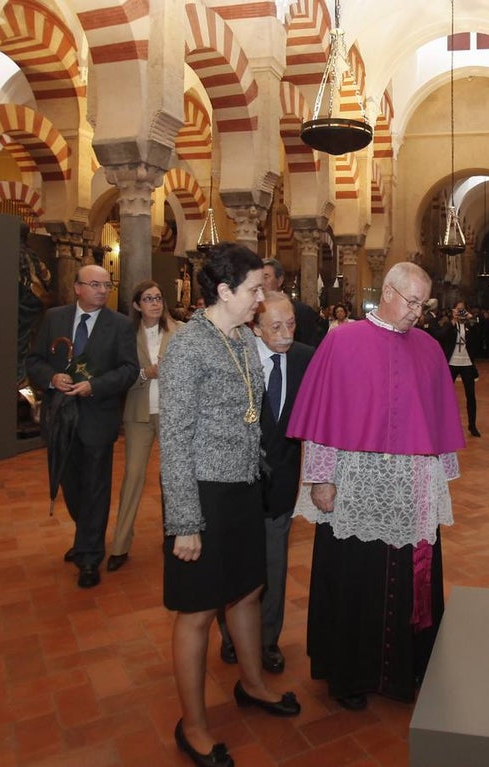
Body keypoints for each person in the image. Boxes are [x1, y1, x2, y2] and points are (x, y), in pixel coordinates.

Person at [287, 261, 465, 711]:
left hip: (412, 486)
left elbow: (439, 417)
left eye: (423, 305)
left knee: (409, 575)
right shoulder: (341, 341)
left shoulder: (426, 347)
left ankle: (406, 668)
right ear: (388, 292)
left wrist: (440, 478)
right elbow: (324, 416)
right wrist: (320, 479)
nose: (417, 313)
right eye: (412, 302)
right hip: (356, 483)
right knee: (355, 576)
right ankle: (351, 673)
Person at [159, 243, 300, 767]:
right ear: (223, 291)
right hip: (201, 495)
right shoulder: (187, 347)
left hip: (243, 489)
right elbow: (172, 439)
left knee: (247, 591)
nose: (260, 298)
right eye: (252, 290)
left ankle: (253, 684)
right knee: (196, 612)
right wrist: (185, 523)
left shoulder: (241, 339)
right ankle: (193, 727)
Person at [217, 291, 315, 673]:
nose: (286, 333)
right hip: (236, 483)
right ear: (254, 327)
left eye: (290, 323)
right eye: (276, 326)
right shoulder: (234, 358)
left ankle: (267, 641)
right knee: (235, 563)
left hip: (281, 484)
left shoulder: (306, 359)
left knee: (274, 567)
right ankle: (229, 638)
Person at [26, 264, 138, 589]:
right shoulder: (55, 319)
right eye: (94, 284)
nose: (103, 290)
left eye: (107, 284)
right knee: (69, 484)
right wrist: (52, 377)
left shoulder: (119, 325)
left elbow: (129, 370)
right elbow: (34, 361)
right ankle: (84, 533)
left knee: (95, 487)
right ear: (77, 288)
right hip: (60, 417)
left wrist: (96, 386)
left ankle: (89, 556)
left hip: (96, 418)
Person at [107, 280, 176, 572]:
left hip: (173, 413)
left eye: (158, 298)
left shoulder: (180, 331)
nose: (155, 303)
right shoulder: (126, 334)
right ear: (137, 305)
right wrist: (145, 373)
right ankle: (120, 544)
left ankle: (173, 536)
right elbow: (118, 374)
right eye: (148, 299)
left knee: (173, 478)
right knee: (133, 477)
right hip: (138, 413)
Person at [436, 301, 481, 437]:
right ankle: (442, 424)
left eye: (463, 310)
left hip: (466, 363)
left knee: (471, 395)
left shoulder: (470, 324)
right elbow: (440, 336)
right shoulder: (450, 324)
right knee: (445, 394)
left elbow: (479, 334)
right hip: (452, 362)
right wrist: (452, 322)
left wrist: (471, 318)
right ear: (454, 310)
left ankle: (472, 425)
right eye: (458, 309)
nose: (461, 312)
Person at [260, 258, 323, 347]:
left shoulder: (302, 312)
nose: (260, 283)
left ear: (280, 280)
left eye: (265, 277)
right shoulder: (250, 312)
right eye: (258, 278)